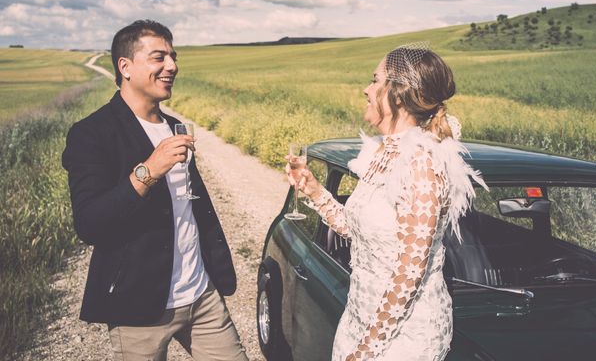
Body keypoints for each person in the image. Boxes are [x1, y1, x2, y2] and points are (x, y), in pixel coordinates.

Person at [62, 20, 248, 361]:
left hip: (202, 295)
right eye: (159, 57)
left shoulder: (174, 126)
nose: (173, 66)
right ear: (125, 67)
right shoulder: (91, 133)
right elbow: (89, 223)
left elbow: (188, 207)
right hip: (139, 308)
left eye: (173, 57)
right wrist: (149, 171)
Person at [287, 44, 487, 361]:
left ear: (398, 93)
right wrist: (313, 190)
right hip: (360, 314)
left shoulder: (423, 162)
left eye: (375, 80)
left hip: (401, 336)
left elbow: (410, 272)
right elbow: (362, 232)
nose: (366, 89)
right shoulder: (383, 151)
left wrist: (366, 351)